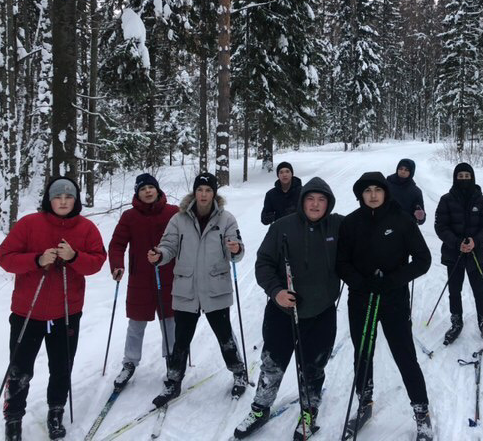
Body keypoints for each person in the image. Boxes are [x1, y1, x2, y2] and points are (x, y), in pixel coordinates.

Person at [0, 176, 106, 440]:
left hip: (66, 312)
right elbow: (5, 258)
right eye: (58, 196)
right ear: (49, 199)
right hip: (27, 311)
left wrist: (74, 257)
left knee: (61, 367)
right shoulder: (29, 224)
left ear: (76, 200)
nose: (63, 201)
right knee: (20, 369)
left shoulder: (86, 228)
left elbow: (97, 261)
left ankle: (55, 411)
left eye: (69, 197)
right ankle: (13, 419)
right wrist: (37, 259)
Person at [234, 177, 343, 441]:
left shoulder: (339, 226)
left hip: (321, 311)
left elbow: (369, 232)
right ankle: (260, 409)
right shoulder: (282, 227)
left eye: (321, 200)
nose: (315, 204)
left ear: (328, 203)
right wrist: (277, 292)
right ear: (302, 200)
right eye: (310, 199)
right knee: (272, 364)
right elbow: (263, 265)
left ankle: (309, 410)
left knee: (314, 366)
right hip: (282, 311)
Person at [337, 172, 434, 441]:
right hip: (361, 299)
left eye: (377, 189)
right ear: (361, 194)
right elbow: (341, 263)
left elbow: (423, 259)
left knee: (405, 356)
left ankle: (422, 412)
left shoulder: (401, 219)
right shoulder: (351, 223)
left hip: (393, 300)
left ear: (385, 192)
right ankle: (365, 403)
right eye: (367, 190)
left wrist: (393, 280)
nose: (373, 194)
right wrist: (362, 282)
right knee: (362, 354)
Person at [147, 172, 247, 407]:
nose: (204, 195)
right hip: (186, 287)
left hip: (215, 287)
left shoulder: (227, 219)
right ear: (195, 193)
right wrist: (159, 255)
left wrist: (235, 249)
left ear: (214, 194)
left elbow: (238, 248)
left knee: (225, 336)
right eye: (200, 190)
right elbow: (168, 246)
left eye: (208, 190)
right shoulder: (178, 219)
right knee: (181, 340)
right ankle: (173, 381)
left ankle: (239, 373)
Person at [108, 173, 179, 390]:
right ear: (137, 193)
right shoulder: (129, 216)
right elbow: (117, 244)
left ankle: (172, 359)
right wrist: (117, 264)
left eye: (151, 187)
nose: (147, 191)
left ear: (157, 190)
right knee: (136, 323)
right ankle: (129, 362)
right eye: (142, 189)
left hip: (169, 275)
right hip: (140, 278)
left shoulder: (173, 213)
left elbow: (185, 239)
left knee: (169, 321)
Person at [434, 162, 483, 344]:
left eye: (466, 176)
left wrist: (475, 241)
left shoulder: (482, 200)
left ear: (472, 177)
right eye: (460, 176)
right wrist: (456, 242)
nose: (463, 179)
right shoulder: (446, 199)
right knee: (455, 290)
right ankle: (456, 320)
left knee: (479, 289)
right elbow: (440, 226)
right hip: (454, 253)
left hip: (476, 252)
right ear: (455, 178)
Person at [385, 158, 426, 225]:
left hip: (405, 228)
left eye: (406, 170)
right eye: (401, 168)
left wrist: (421, 217)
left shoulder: (416, 191)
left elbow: (421, 219)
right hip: (385, 225)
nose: (403, 171)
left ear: (411, 172)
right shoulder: (386, 184)